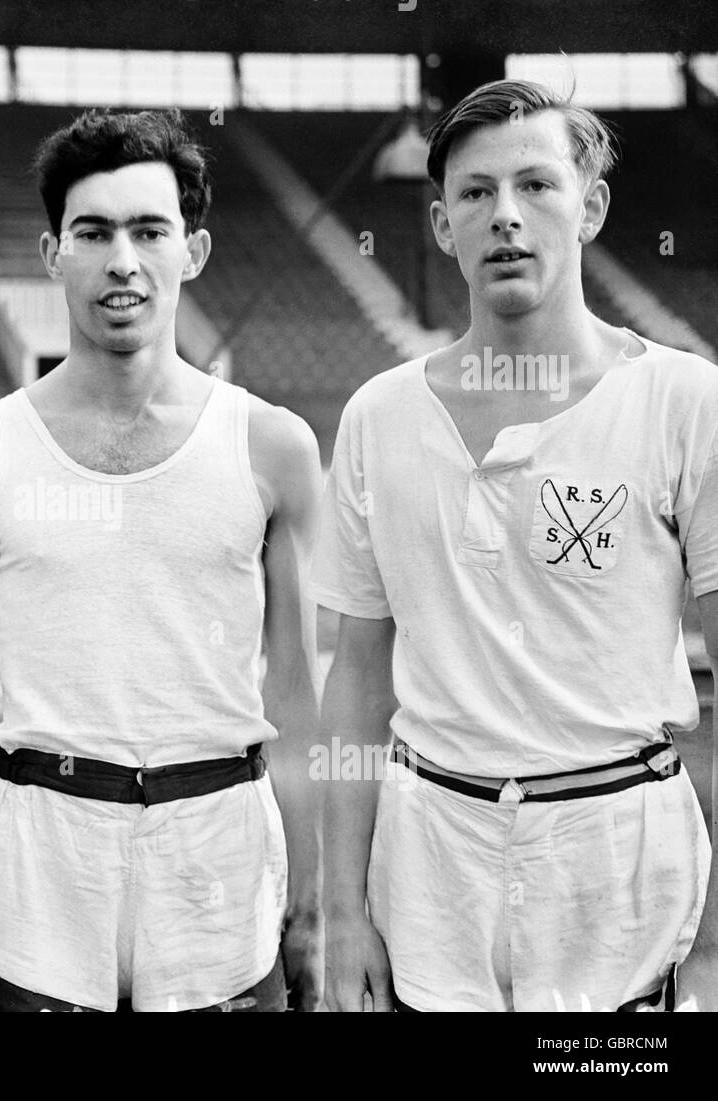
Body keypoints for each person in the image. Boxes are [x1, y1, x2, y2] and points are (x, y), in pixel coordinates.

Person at [315, 79, 718, 1012]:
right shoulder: (378, 416)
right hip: (429, 867)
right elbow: (357, 681)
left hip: (619, 863)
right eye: (476, 192)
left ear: (591, 208)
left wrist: (713, 948)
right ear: (442, 224)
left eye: (536, 185)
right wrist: (340, 913)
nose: (506, 214)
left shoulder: (685, 402)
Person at [0, 109, 324, 1012]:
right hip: (43, 864)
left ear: (194, 250)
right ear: (53, 253)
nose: (123, 261)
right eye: (94, 233)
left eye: (149, 231)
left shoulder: (273, 446)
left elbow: (298, 694)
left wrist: (315, 908)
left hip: (219, 859)